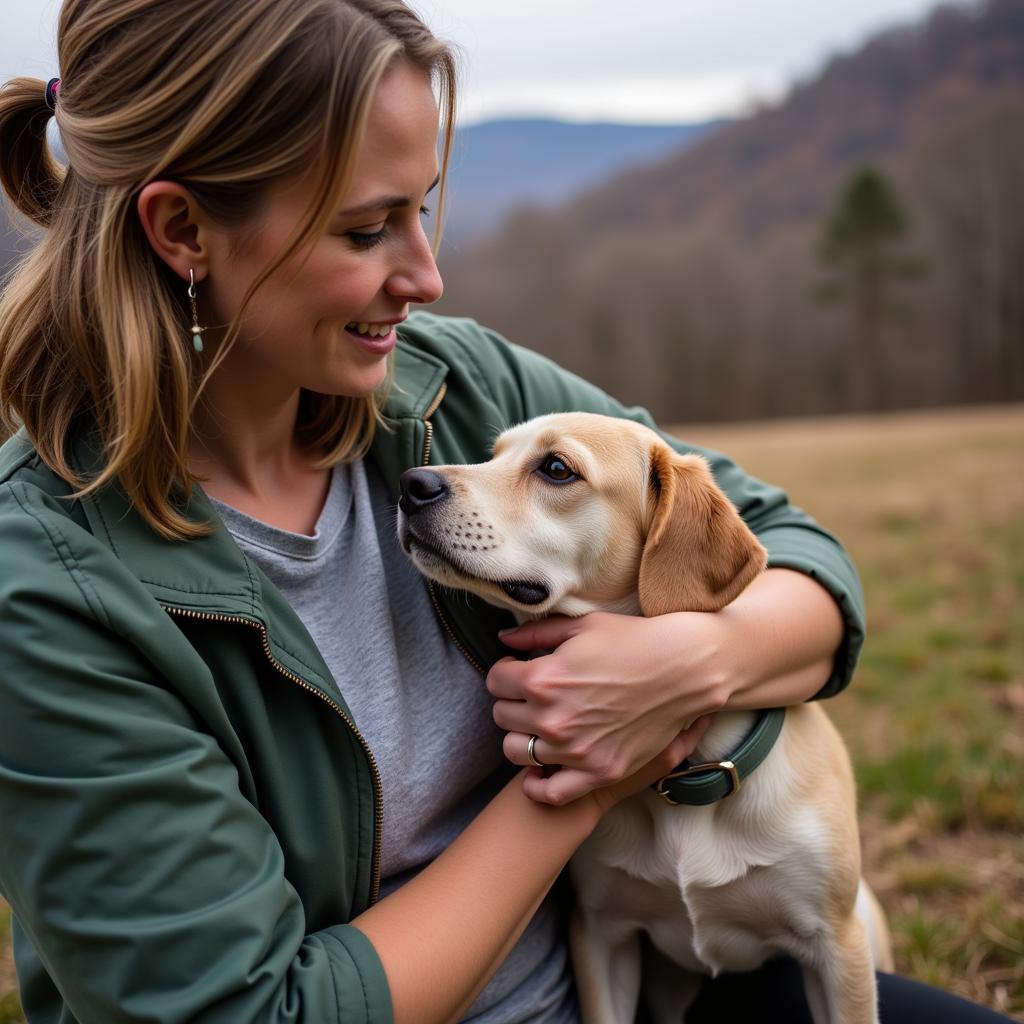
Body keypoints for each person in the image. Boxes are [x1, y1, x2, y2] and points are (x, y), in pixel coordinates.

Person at [0, 2, 1011, 1022]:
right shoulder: (41, 589)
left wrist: (683, 670)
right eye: (365, 229)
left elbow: (796, 558)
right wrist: (576, 776)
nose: (425, 278)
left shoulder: (450, 385)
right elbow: (245, 1010)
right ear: (183, 231)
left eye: (423, 210)